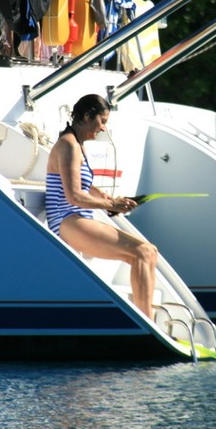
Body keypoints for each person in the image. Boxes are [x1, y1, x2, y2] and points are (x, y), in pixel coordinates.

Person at [45, 94, 158, 318]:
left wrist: (109, 199)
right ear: (88, 116)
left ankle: (147, 317)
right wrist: (112, 203)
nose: (104, 128)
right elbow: (74, 195)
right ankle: (148, 322)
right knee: (143, 252)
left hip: (79, 218)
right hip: (67, 220)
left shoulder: (78, 144)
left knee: (150, 252)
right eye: (103, 121)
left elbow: (86, 186)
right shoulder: (68, 145)